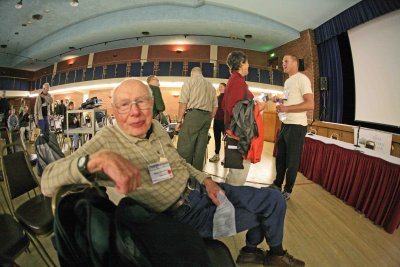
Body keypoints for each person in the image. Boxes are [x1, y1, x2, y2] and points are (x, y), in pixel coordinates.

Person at [40, 78, 304, 267]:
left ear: (152, 103)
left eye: (141, 102)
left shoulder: (155, 126)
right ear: (114, 111)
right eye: (124, 105)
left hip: (203, 191)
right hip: (183, 216)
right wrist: (94, 162)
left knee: (273, 198)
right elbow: (47, 180)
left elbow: (179, 163)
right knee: (267, 209)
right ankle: (270, 253)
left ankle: (253, 251)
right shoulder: (107, 140)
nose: (134, 112)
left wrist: (207, 180)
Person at [269, 55, 314, 201]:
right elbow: (289, 101)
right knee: (280, 157)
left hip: (297, 126)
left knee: (292, 161)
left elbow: (310, 104)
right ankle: (277, 184)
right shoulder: (288, 81)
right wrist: (279, 102)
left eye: (286, 61)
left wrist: (286, 108)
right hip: (285, 124)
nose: (283, 64)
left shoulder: (302, 79)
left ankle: (288, 190)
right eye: (282, 62)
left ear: (295, 62)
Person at [222, 51, 265, 186]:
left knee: (235, 174)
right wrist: (259, 107)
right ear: (241, 63)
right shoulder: (238, 82)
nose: (248, 66)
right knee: (237, 177)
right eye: (247, 62)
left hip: (235, 134)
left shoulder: (234, 81)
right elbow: (237, 112)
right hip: (239, 136)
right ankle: (231, 204)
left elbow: (229, 106)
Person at [176, 67, 218, 171]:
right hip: (207, 117)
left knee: (185, 145)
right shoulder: (211, 86)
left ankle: (184, 173)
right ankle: (196, 177)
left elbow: (183, 102)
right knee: (200, 148)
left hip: (193, 116)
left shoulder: (189, 81)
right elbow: (215, 106)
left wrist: (179, 121)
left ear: (192, 73)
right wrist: (209, 118)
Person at [209, 83, 226, 163]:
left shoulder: (228, 97)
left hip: (224, 122)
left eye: (221, 86)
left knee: (226, 140)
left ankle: (227, 158)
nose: (220, 88)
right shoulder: (217, 97)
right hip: (216, 121)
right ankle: (217, 155)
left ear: (225, 88)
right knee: (217, 139)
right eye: (219, 87)